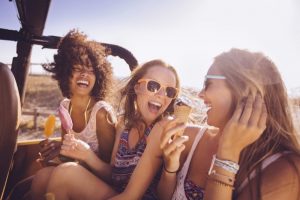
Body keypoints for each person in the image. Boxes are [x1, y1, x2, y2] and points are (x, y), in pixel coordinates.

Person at [158, 48, 300, 200]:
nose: (200, 94)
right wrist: (170, 169)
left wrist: (227, 156)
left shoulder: (285, 172)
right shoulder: (191, 138)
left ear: (244, 90)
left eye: (208, 83)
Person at [45, 59, 182, 200]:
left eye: (169, 91)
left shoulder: (162, 128)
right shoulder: (124, 124)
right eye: (153, 86)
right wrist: (87, 155)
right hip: (116, 193)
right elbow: (114, 176)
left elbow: (131, 196)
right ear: (137, 87)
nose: (161, 95)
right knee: (43, 177)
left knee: (65, 173)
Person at [30, 30, 116, 200]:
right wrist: (58, 150)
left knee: (63, 173)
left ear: (98, 77)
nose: (84, 74)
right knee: (41, 178)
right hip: (78, 171)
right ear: (65, 73)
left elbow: (112, 173)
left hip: (103, 181)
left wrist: (82, 156)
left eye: (91, 70)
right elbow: (68, 155)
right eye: (77, 68)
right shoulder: (65, 107)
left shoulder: (101, 114)